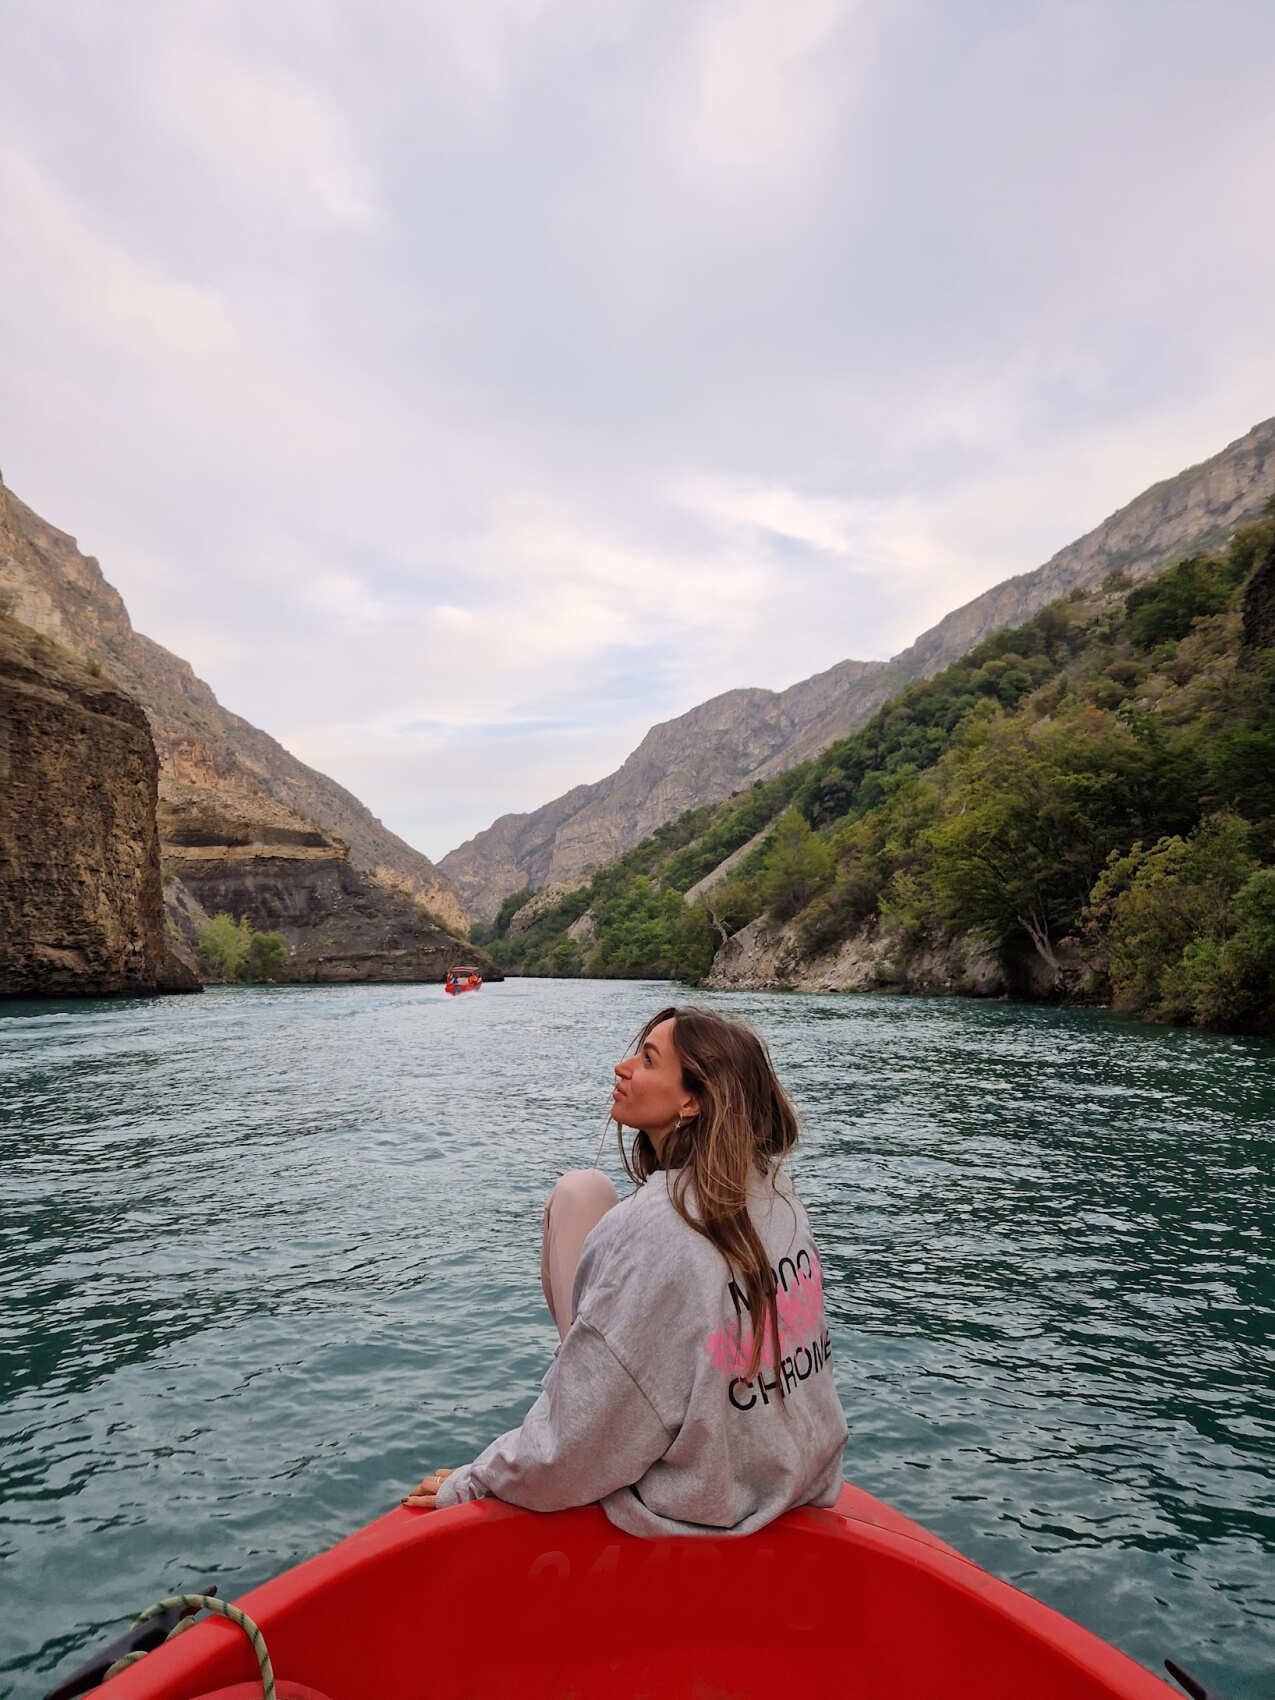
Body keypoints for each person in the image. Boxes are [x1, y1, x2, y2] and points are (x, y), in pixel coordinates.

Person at [405, 1005, 848, 1536]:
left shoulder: (654, 1228)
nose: (622, 1066)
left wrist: (476, 1481)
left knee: (577, 1193)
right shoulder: (776, 1193)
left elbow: (575, 1447)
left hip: (707, 1507)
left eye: (647, 1059)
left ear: (692, 1100)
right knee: (587, 1196)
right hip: (796, 1480)